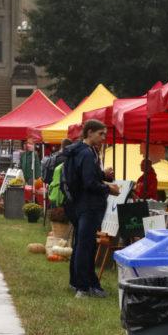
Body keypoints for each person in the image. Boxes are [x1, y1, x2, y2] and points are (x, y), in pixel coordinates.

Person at [62, 119, 120, 299]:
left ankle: (78, 282)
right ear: (89, 133)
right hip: (88, 205)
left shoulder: (80, 150)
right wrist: (108, 187)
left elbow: (86, 176)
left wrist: (104, 175)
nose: (104, 138)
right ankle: (83, 287)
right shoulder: (87, 153)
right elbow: (89, 183)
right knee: (85, 246)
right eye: (100, 134)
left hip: (78, 204)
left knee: (81, 244)